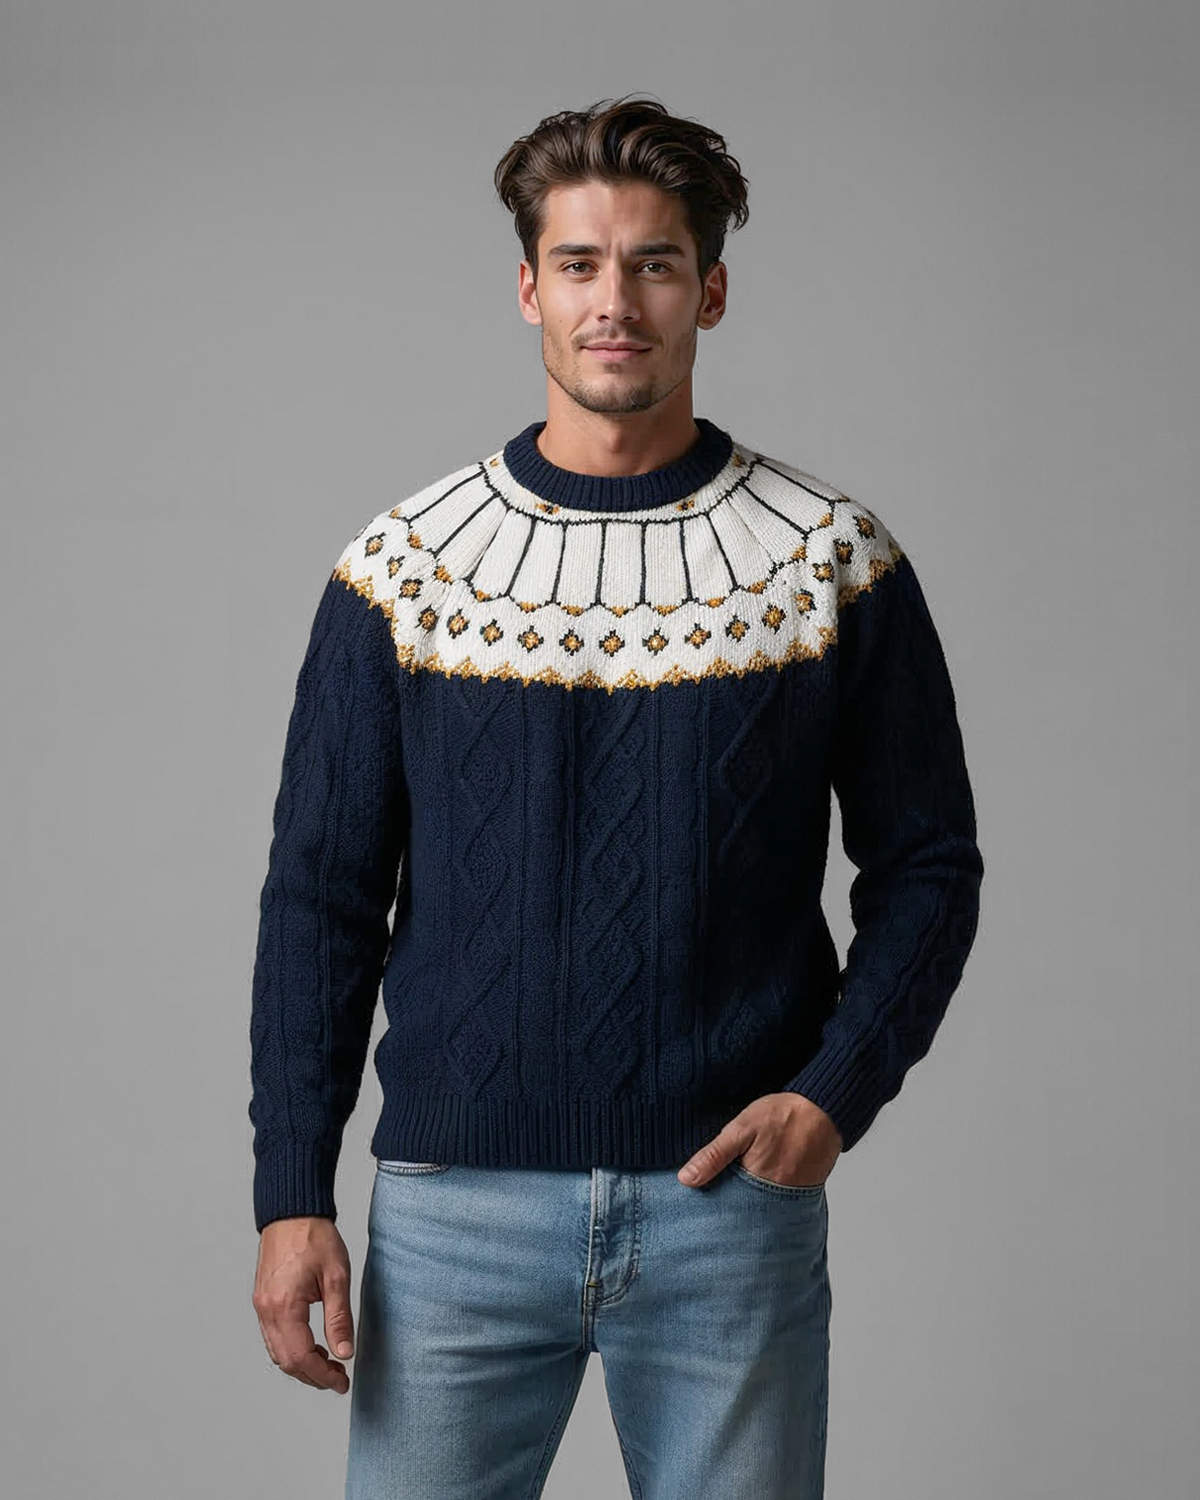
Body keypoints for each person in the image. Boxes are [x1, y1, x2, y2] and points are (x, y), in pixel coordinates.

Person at [248, 94, 984, 1500]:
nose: (616, 302)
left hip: (728, 1212)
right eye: (579, 264)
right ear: (529, 288)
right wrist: (293, 1191)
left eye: (653, 264)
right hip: (453, 1219)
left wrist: (831, 1098)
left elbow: (930, 867)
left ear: (711, 289)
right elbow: (320, 901)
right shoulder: (404, 571)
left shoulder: (829, 561)